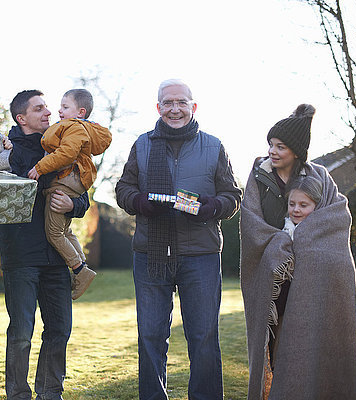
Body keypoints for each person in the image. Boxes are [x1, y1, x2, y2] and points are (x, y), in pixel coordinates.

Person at [115, 79, 241, 400]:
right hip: (150, 256)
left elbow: (232, 196)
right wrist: (142, 203)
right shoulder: (142, 145)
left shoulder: (213, 146)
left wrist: (208, 207)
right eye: (168, 103)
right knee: (150, 337)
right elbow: (123, 191)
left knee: (203, 337)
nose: (175, 109)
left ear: (193, 106)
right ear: (158, 108)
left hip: (200, 255)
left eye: (181, 102)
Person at [240, 104, 356, 399]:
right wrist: (281, 244)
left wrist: (302, 237)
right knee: (273, 343)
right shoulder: (259, 175)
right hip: (274, 277)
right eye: (271, 144)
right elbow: (250, 220)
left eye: (280, 146)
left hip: (311, 280)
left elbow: (337, 215)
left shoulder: (318, 175)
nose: (273, 151)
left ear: (296, 151)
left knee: (308, 342)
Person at [0, 89, 91, 400]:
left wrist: (72, 206)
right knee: (22, 333)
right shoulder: (5, 152)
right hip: (21, 255)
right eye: (39, 109)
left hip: (55, 258)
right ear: (21, 118)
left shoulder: (65, 146)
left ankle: (51, 392)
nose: (48, 113)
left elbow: (83, 198)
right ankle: (18, 394)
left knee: (60, 330)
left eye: (48, 107)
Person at [27, 88, 112, 299]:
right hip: (72, 182)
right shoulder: (78, 128)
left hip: (64, 181)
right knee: (65, 232)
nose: (59, 110)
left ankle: (80, 271)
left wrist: (40, 167)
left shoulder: (74, 127)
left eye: (65, 107)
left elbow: (66, 153)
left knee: (54, 233)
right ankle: (82, 266)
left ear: (80, 112)